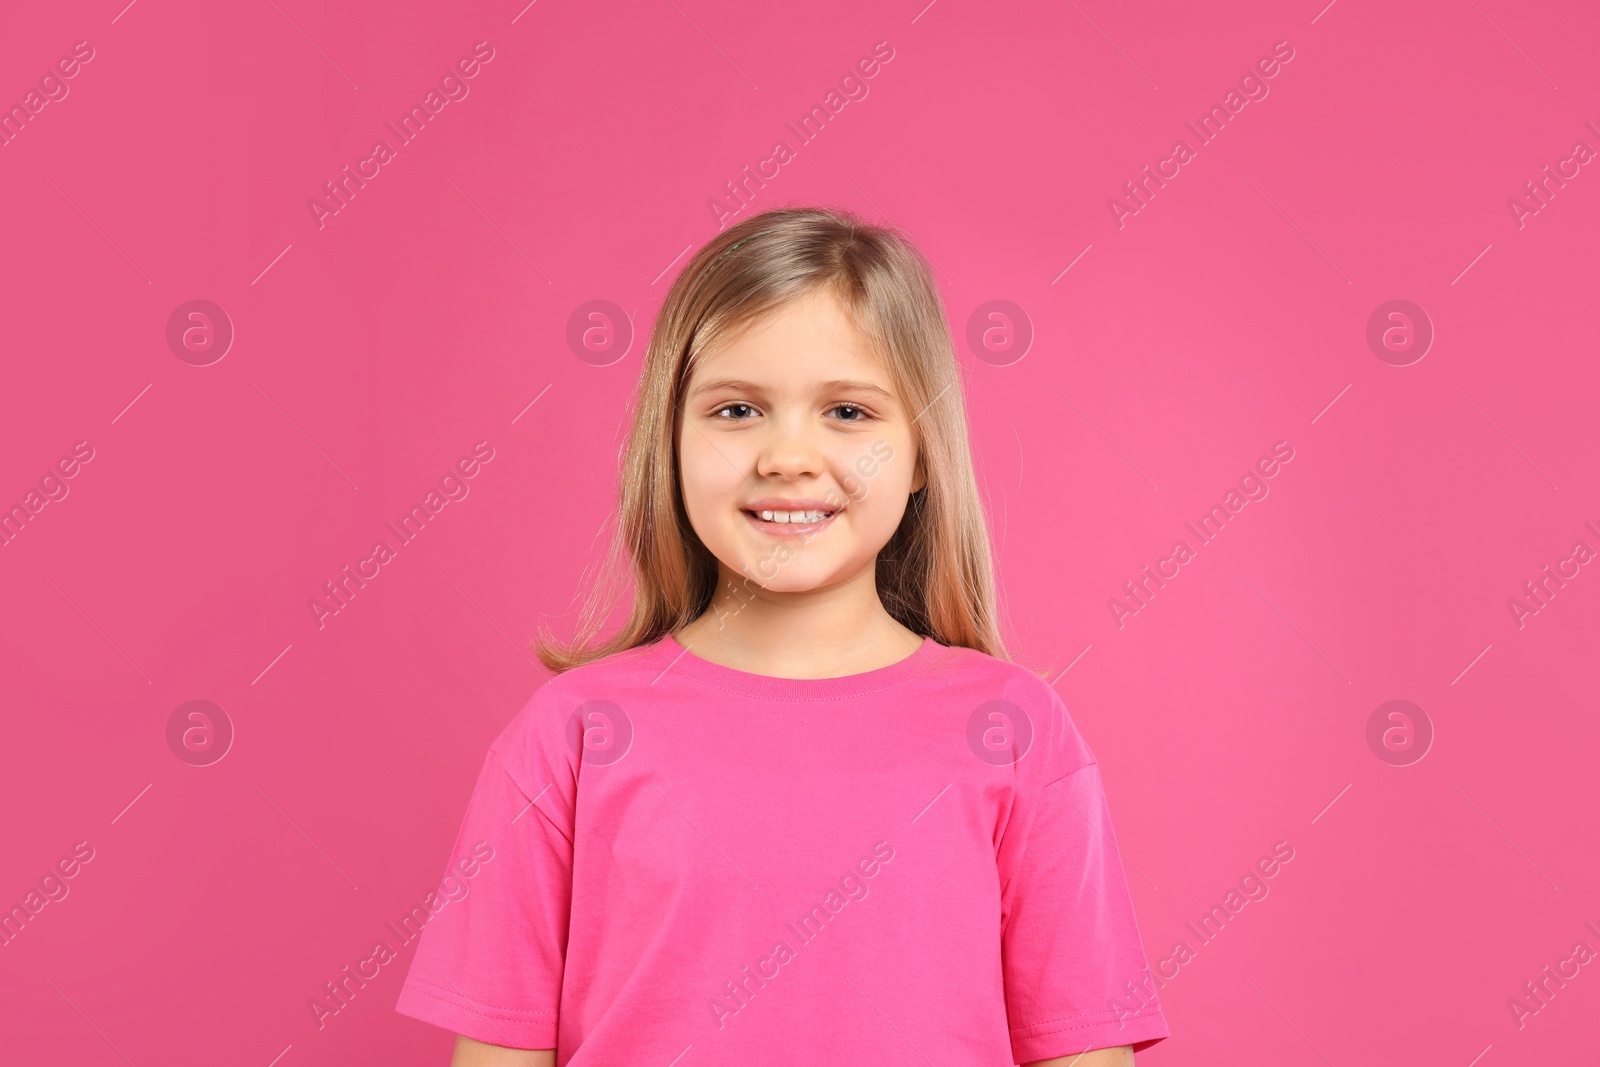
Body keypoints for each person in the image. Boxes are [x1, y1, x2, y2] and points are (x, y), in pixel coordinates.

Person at [394, 205, 1170, 1065]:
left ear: (921, 455)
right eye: (736, 410)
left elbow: (1081, 1049)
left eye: (846, 411)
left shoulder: (1016, 728)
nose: (787, 455)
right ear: (671, 443)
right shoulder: (569, 733)